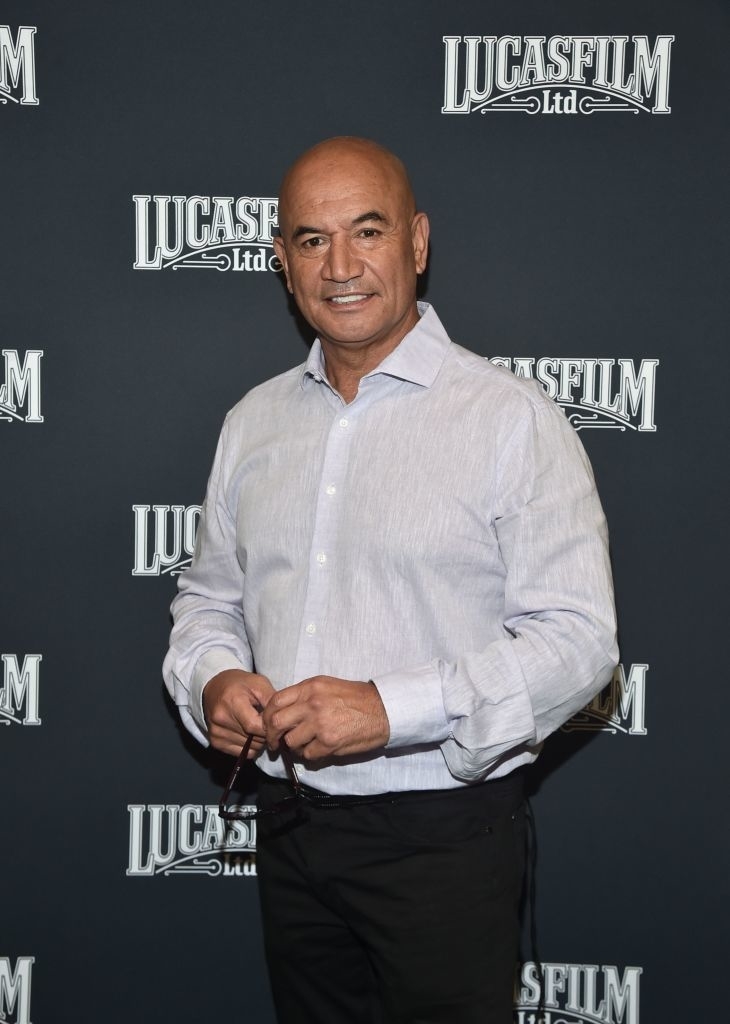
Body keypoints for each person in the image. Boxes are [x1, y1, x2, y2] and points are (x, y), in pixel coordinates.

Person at [163, 136, 618, 1024]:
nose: (340, 266)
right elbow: (209, 597)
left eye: (365, 232)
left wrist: (391, 709)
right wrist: (209, 676)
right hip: (290, 825)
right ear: (282, 263)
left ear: (415, 243)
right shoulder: (253, 423)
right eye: (309, 238)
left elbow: (579, 641)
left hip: (443, 841)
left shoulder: (508, 419)